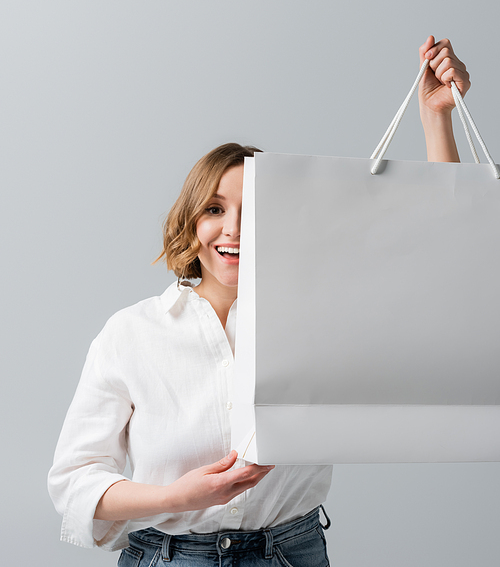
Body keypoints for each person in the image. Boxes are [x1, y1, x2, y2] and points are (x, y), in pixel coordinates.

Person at [48, 36, 470, 565]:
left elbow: (440, 254)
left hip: (290, 554)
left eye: (254, 210)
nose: (234, 230)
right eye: (215, 209)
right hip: (170, 556)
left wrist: (437, 120)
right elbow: (75, 481)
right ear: (190, 222)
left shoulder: (321, 320)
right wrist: (176, 498)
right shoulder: (132, 333)